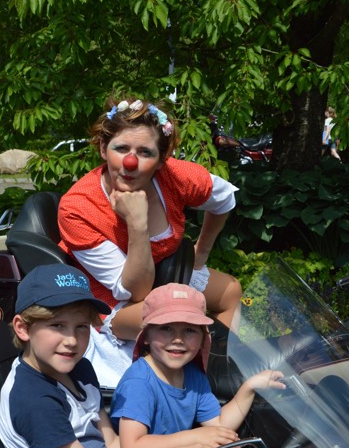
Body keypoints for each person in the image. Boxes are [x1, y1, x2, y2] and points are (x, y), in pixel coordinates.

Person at [57, 95, 243, 387]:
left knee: (230, 292)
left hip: (166, 276)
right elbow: (136, 290)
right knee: (183, 319)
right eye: (121, 149)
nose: (130, 162)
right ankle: (186, 390)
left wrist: (201, 253)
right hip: (117, 303)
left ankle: (220, 379)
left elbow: (224, 199)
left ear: (161, 160)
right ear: (104, 149)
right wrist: (137, 223)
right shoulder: (78, 208)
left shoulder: (176, 177)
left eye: (145, 152)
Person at [0, 264, 225, 448]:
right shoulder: (34, 399)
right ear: (23, 328)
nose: (72, 341)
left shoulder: (80, 369)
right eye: (58, 326)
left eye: (82, 327)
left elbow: (114, 445)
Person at [110, 283, 286, 448]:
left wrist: (249, 387)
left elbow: (218, 426)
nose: (178, 339)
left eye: (189, 330)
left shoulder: (192, 375)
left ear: (203, 338)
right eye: (166, 328)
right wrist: (194, 436)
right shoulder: (139, 383)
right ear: (145, 336)